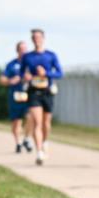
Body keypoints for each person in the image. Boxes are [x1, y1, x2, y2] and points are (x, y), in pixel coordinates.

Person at [21, 29, 63, 165]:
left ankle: (45, 141)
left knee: (46, 123)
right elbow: (22, 73)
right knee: (37, 122)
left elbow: (60, 73)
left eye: (38, 37)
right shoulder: (27, 57)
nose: (36, 39)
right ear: (32, 40)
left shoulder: (51, 55)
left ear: (43, 38)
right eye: (34, 37)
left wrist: (46, 74)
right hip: (33, 92)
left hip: (47, 91)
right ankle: (39, 152)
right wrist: (25, 77)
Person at [0, 41, 34, 154]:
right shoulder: (11, 64)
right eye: (21, 49)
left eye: (25, 49)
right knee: (16, 121)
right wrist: (10, 81)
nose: (23, 51)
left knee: (31, 117)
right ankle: (18, 143)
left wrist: (31, 78)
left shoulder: (31, 64)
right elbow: (2, 79)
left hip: (29, 94)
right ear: (17, 50)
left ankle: (27, 139)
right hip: (15, 96)